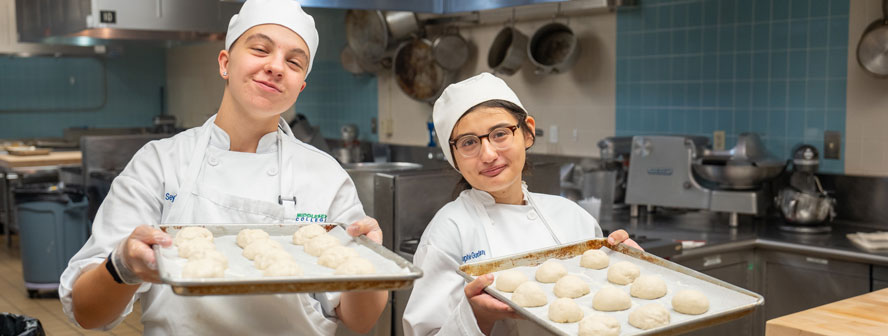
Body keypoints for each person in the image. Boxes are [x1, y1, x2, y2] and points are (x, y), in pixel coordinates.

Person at [58, 1, 387, 334]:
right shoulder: (160, 164)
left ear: (300, 86)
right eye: (260, 49)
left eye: (294, 62)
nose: (275, 67)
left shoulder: (325, 177)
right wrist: (123, 267)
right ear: (225, 63)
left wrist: (368, 264)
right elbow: (86, 312)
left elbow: (360, 320)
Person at [402, 73, 641, 335]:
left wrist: (633, 268)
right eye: (468, 142)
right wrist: (477, 316)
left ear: (527, 132)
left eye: (500, 134)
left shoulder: (572, 217)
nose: (489, 155)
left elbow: (604, 312)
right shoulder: (449, 231)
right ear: (454, 157)